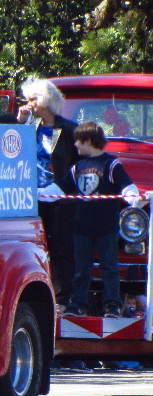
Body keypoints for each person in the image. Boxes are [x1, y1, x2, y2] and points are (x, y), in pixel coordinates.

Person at [39, 122, 143, 317]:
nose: (75, 145)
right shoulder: (78, 166)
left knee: (109, 268)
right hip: (81, 228)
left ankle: (111, 304)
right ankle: (78, 304)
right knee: (81, 269)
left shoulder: (111, 164)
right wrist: (40, 194)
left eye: (78, 141)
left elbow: (127, 187)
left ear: (88, 140)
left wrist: (133, 198)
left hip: (106, 227)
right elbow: (60, 188)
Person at [17, 76, 80, 307]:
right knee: (34, 248)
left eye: (34, 99)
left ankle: (63, 298)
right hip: (32, 199)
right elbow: (9, 150)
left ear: (48, 100)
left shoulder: (70, 130)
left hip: (61, 199)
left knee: (61, 247)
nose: (29, 103)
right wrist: (20, 124)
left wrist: (61, 186)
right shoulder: (28, 128)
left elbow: (82, 166)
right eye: (28, 99)